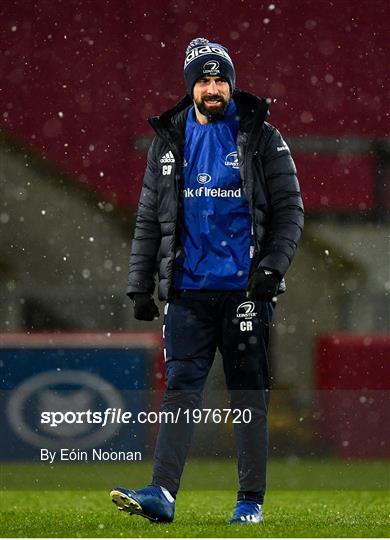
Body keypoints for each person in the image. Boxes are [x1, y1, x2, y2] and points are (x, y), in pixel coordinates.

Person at [110, 37, 304, 524]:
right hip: (188, 293)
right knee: (179, 392)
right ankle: (161, 494)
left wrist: (271, 269)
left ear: (232, 85)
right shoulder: (168, 140)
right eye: (204, 80)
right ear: (191, 87)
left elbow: (290, 211)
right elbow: (149, 220)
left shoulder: (262, 136)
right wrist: (140, 283)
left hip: (244, 292)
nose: (213, 88)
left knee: (246, 396)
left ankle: (249, 502)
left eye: (220, 80)